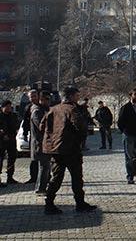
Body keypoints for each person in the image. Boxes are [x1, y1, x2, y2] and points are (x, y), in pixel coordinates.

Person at [41, 86, 96, 215]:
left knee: (56, 177)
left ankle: (49, 203)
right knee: (76, 177)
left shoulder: (52, 109)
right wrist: (80, 140)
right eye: (77, 96)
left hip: (55, 149)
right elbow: (80, 127)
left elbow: (42, 126)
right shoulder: (72, 110)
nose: (78, 98)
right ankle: (80, 203)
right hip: (70, 149)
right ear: (71, 96)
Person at [117, 90, 136, 184]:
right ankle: (130, 176)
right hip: (129, 136)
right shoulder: (125, 108)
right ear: (131, 96)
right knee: (130, 158)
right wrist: (125, 132)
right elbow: (120, 123)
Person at [30, 92, 52, 195]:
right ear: (41, 99)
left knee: (46, 166)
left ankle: (42, 187)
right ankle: (40, 188)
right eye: (45, 99)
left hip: (45, 143)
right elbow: (41, 127)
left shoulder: (44, 110)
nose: (47, 101)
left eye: (48, 99)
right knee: (44, 166)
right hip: (40, 143)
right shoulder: (37, 111)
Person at [0, 100, 19, 185]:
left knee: (12, 158)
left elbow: (16, 125)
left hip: (11, 140)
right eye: (6, 106)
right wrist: (2, 134)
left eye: (9, 106)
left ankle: (10, 177)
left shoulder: (13, 115)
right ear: (2, 107)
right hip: (1, 141)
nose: (8, 108)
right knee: (0, 159)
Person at [23, 90, 40, 184]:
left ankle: (45, 176)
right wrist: (25, 134)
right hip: (33, 136)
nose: (33, 98)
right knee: (33, 158)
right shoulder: (28, 108)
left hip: (43, 136)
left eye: (34, 96)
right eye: (31, 97)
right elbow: (25, 122)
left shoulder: (42, 106)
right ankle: (33, 177)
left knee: (44, 158)